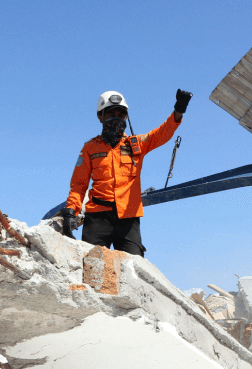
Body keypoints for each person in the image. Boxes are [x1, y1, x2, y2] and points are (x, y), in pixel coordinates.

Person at [60, 89, 192, 256]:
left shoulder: (136, 144)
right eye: (111, 114)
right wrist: (71, 211)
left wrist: (178, 111)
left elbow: (162, 134)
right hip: (98, 219)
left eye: (121, 115)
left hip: (128, 218)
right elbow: (79, 184)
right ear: (100, 117)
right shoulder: (90, 148)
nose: (116, 118)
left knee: (135, 266)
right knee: (92, 265)